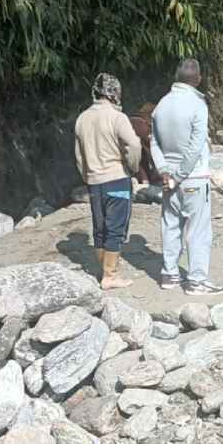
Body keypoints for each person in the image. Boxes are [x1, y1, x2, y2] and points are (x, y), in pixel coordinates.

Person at [150, 58, 223, 296]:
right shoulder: (197, 105)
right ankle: (196, 280)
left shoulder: (161, 105)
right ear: (199, 79)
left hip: (168, 177)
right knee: (198, 229)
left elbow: (153, 142)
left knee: (170, 224)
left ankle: (169, 274)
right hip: (192, 177)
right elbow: (195, 146)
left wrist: (164, 171)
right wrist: (180, 175)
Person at [74, 73, 141, 290]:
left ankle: (104, 270)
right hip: (117, 179)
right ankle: (110, 276)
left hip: (94, 182)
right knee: (116, 228)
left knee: (99, 228)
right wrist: (133, 167)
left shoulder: (82, 118)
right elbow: (134, 144)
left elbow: (79, 156)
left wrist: (87, 176)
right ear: (115, 94)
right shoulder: (116, 117)